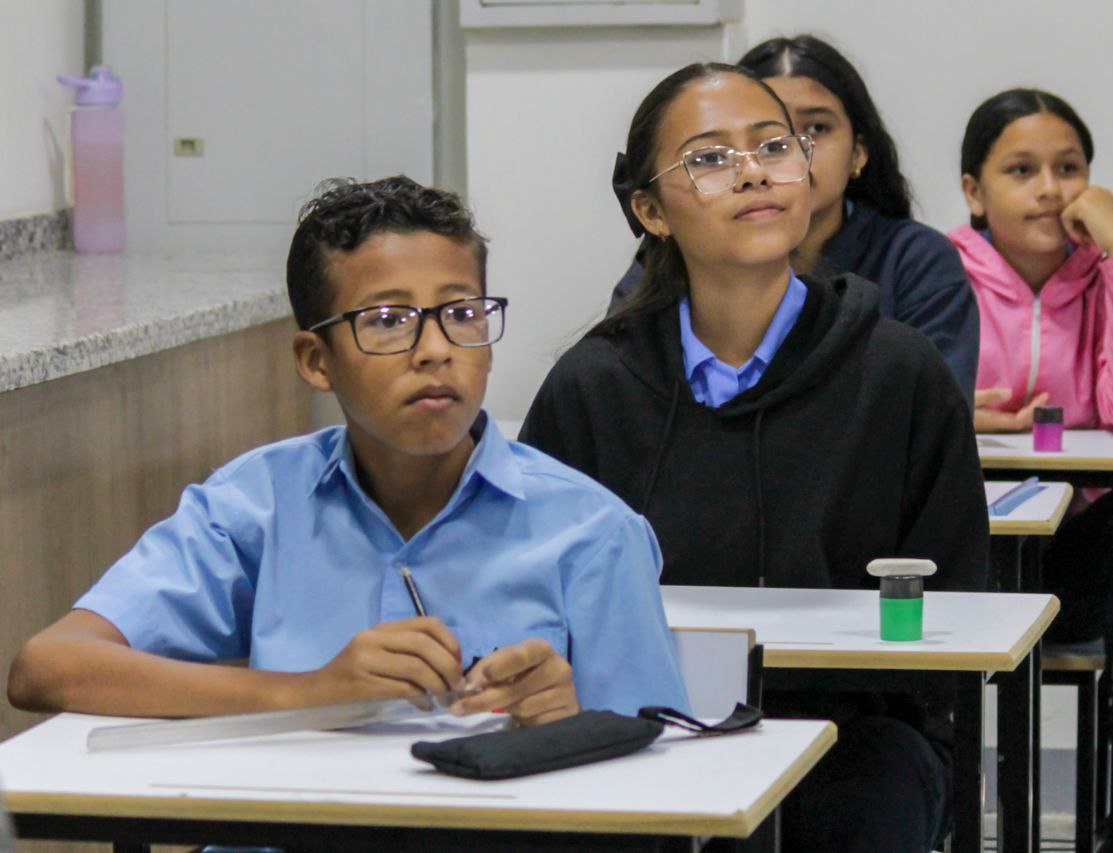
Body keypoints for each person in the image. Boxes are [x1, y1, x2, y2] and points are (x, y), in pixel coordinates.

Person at [7, 176, 688, 725]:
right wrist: (308, 691)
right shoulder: (257, 505)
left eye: (462, 312)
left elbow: (668, 779)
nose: (435, 349)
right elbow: (49, 667)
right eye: (387, 321)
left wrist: (573, 723)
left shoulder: (591, 532)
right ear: (315, 360)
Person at [522, 62, 988, 852]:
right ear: (650, 210)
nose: (751, 172)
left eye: (775, 145)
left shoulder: (900, 373)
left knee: (863, 807)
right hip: (641, 722)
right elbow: (531, 589)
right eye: (708, 158)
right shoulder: (593, 384)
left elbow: (955, 609)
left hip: (853, 732)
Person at [950, 88, 1113, 853]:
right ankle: (940, 790)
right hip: (966, 545)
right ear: (973, 191)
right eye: (1021, 169)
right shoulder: (937, 273)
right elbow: (899, 402)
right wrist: (964, 412)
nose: (1050, 189)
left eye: (1069, 168)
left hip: (1074, 549)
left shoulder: (1106, 278)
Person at [609, 34, 979, 403]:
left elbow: (933, 415)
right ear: (653, 214)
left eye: (813, 129)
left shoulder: (913, 260)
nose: (760, 166)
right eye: (716, 155)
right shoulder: (672, 258)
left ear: (858, 154)